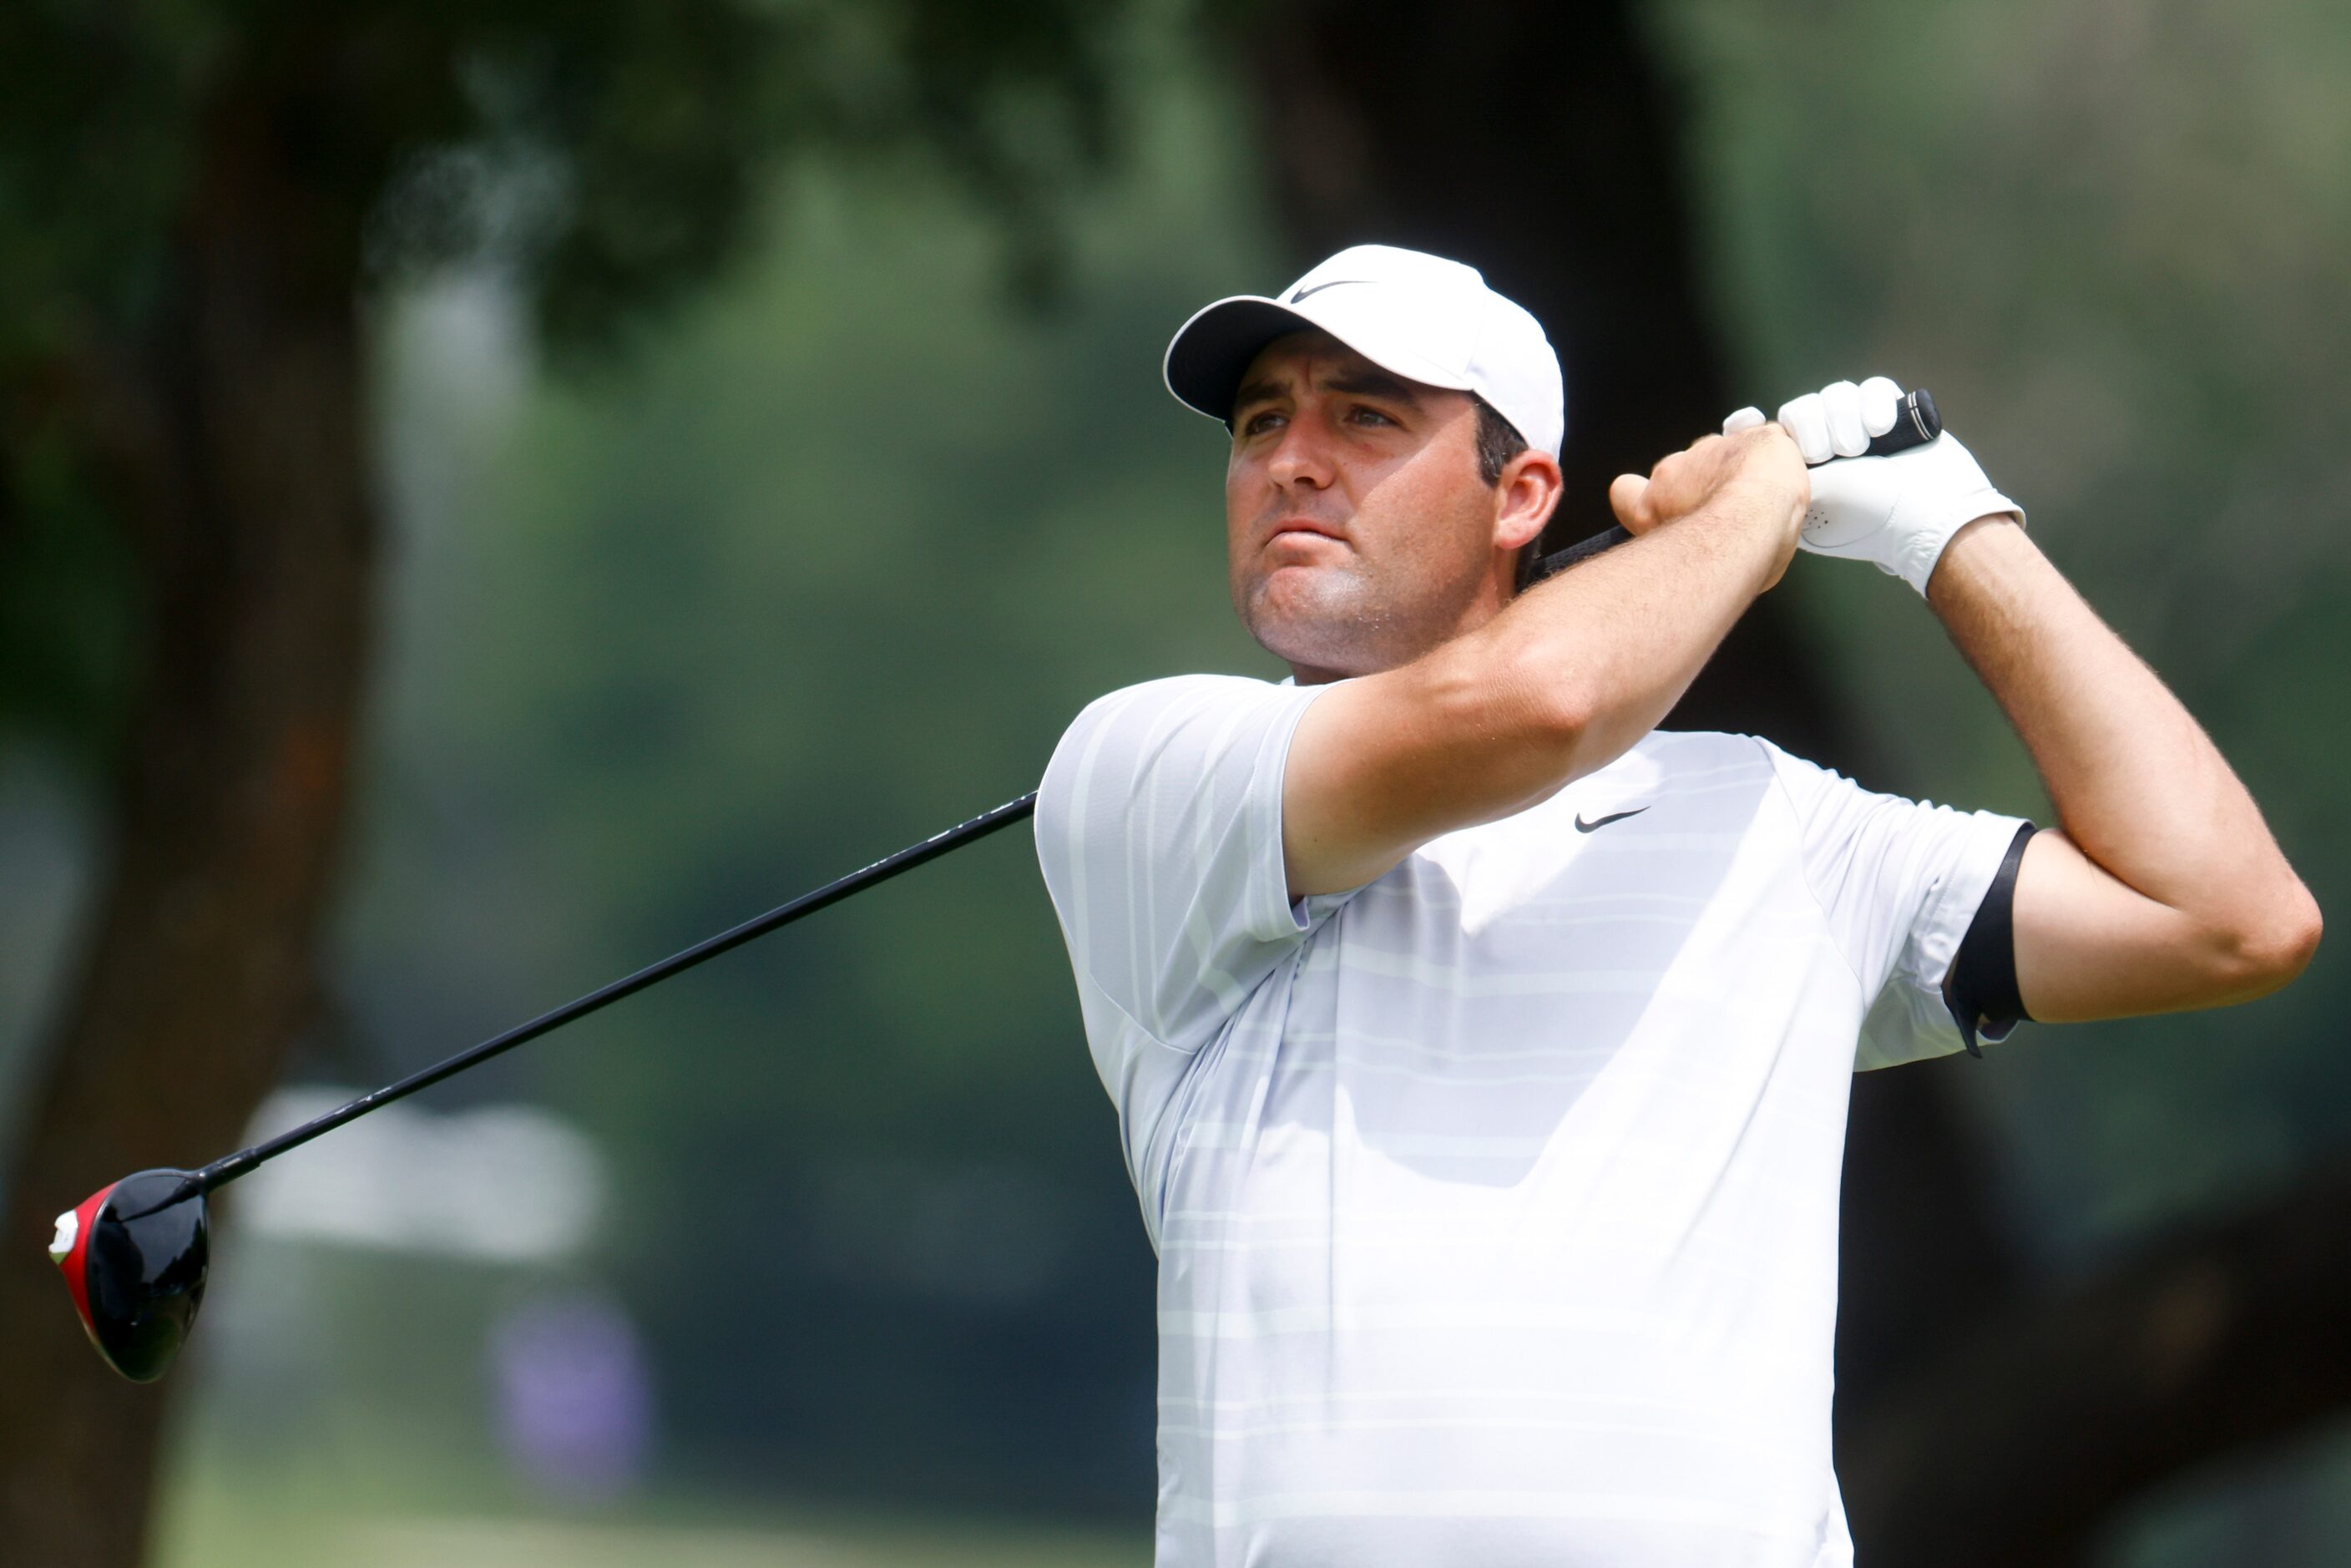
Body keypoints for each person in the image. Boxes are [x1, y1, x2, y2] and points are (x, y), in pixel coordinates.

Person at [1031, 244, 2320, 1566]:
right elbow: (1539, 705)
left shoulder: (1782, 827)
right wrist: (1754, 507)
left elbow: (2228, 914)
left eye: (1365, 415)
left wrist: (1951, 530)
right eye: (1260, 422)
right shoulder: (1150, 774)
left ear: (1522, 493)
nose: (1291, 459)